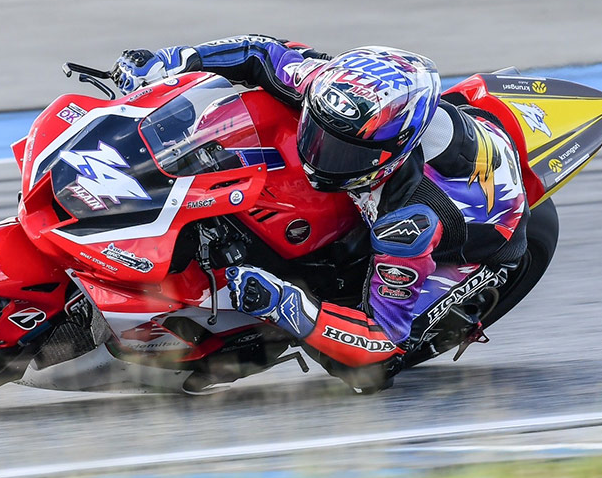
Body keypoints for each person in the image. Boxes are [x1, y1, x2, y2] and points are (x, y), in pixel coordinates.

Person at [111, 36, 529, 392]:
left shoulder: (407, 223)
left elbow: (382, 349)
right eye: (319, 132)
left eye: (345, 152)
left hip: (475, 240)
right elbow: (259, 52)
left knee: (363, 368)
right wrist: (173, 60)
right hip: (455, 144)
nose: (322, 154)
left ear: (391, 154)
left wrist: (285, 304)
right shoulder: (328, 90)